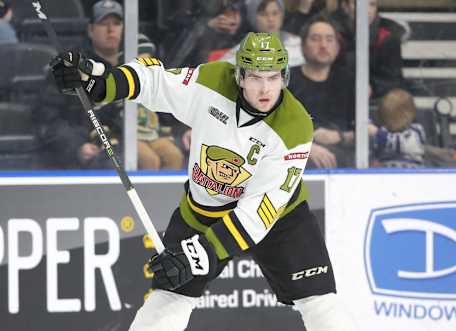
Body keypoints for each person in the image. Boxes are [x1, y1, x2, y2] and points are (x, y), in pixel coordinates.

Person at [50, 32, 357, 330]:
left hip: (278, 218)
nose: (265, 89)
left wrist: (202, 254)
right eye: (255, 77)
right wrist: (101, 85)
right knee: (169, 295)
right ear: (239, 76)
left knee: (319, 301)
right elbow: (156, 82)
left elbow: (258, 213)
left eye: (273, 77)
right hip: (204, 209)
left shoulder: (295, 125)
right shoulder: (213, 81)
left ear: (284, 78)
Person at [35, 0, 124, 169]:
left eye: (116, 23)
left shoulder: (134, 65)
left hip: (129, 148)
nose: (111, 29)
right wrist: (77, 147)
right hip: (87, 158)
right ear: (90, 30)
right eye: (103, 24)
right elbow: (47, 118)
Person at [290, 15, 368, 168]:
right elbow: (270, 128)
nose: (323, 45)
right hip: (296, 161)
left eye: (330, 39)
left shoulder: (350, 81)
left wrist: (339, 137)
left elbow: (368, 131)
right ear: (302, 46)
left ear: (338, 47)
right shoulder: (284, 81)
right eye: (315, 39)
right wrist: (304, 149)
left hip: (344, 162)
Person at [331, 0, 406, 98]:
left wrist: (373, 88)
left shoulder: (388, 35)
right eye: (358, 4)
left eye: (372, 4)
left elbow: (393, 80)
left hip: (377, 98)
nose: (367, 10)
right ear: (345, 6)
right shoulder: (329, 30)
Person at [135, 34, 184, 170]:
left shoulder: (156, 85)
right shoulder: (119, 84)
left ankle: (169, 192)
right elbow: (108, 112)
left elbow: (165, 115)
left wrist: (167, 133)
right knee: (150, 160)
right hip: (129, 137)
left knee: (174, 155)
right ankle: (145, 192)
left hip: (154, 134)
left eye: (148, 62)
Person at [220, 0, 305, 67]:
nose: (271, 19)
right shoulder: (242, 49)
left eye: (275, 13)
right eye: (263, 14)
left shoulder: (297, 44)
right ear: (253, 18)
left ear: (282, 15)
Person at [373, 88, 427, 168]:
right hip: (386, 174)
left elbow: (397, 143)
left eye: (393, 117)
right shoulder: (384, 132)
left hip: (414, 174)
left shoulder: (416, 131)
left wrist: (377, 133)